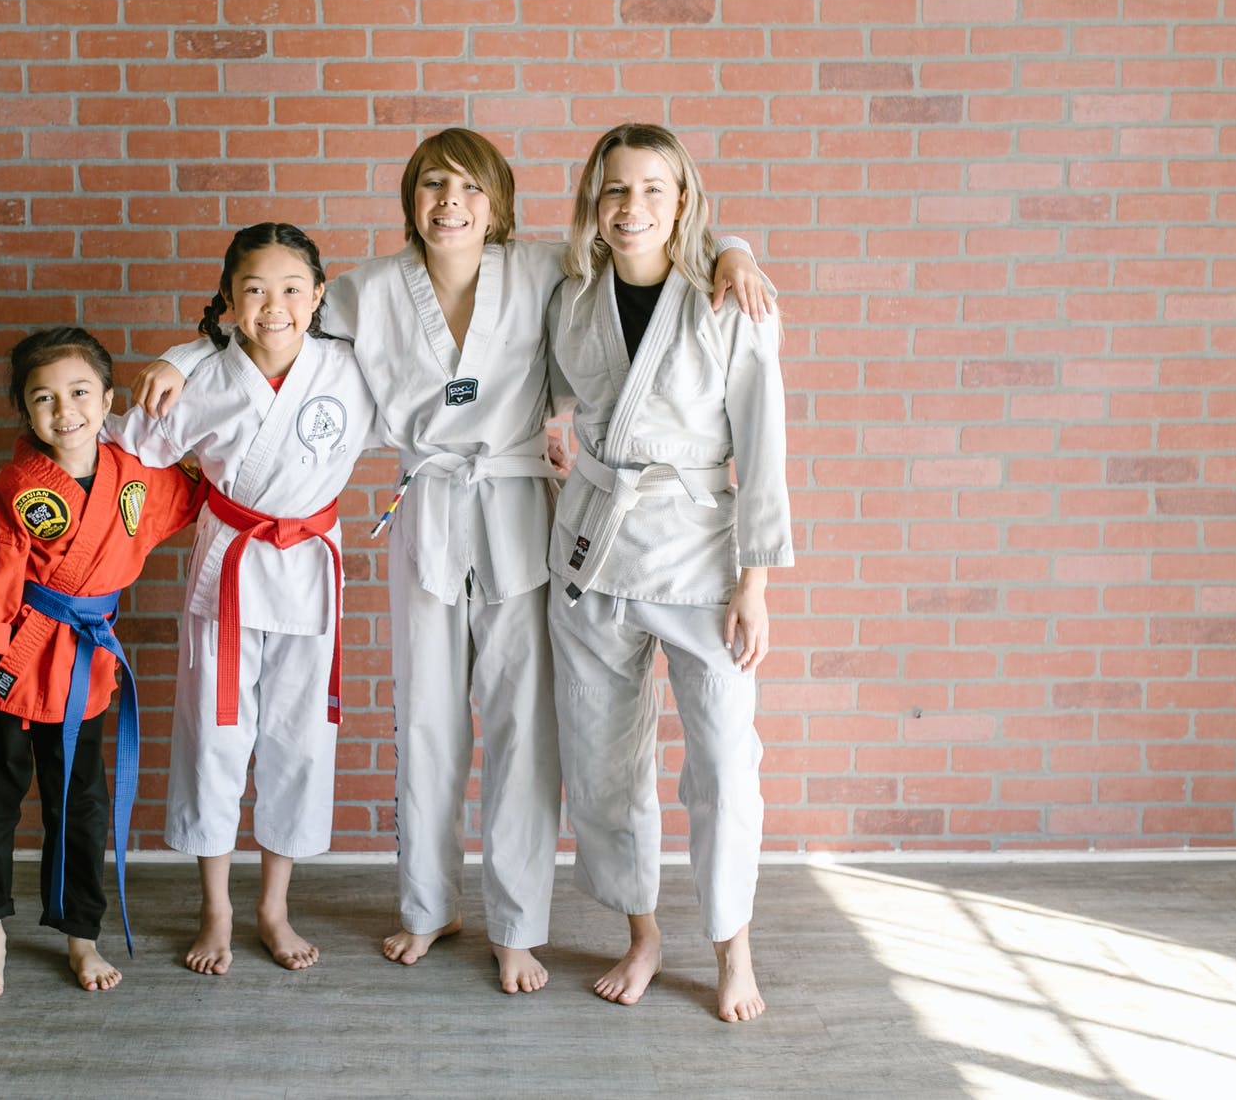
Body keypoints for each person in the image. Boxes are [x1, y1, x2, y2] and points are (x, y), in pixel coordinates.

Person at [134, 129, 771, 995]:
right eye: (433, 184)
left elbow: (647, 247)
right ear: (411, 198)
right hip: (429, 508)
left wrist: (732, 250)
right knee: (427, 719)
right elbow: (265, 321)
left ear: (497, 202)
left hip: (521, 512)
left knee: (524, 728)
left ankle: (517, 925)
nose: (450, 202)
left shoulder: (544, 268)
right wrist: (176, 357)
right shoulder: (366, 290)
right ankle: (429, 906)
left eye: (470, 187)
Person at [546, 123, 792, 1023]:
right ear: (594, 203)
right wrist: (551, 420)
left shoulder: (732, 299)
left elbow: (762, 449)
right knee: (605, 761)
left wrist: (756, 580)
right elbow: (532, 378)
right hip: (593, 551)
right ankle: (641, 932)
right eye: (616, 190)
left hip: (700, 555)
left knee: (726, 762)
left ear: (683, 199)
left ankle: (733, 945)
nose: (633, 207)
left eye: (654, 189)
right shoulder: (570, 296)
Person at [108, 223, 385, 976]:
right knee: (215, 739)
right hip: (228, 572)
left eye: (293, 289)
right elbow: (117, 443)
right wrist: (19, 478)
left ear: (320, 295)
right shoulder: (198, 378)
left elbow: (429, 395)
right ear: (228, 300)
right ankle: (216, 907)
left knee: (300, 740)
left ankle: (273, 905)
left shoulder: (352, 369)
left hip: (311, 576)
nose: (275, 306)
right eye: (254, 289)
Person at [0, 327, 205, 998]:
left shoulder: (136, 477)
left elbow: (206, 477)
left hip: (83, 674)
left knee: (80, 809)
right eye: (43, 398)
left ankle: (80, 936)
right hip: (12, 666)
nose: (65, 409)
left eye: (80, 392)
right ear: (25, 414)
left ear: (110, 399)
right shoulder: (17, 485)